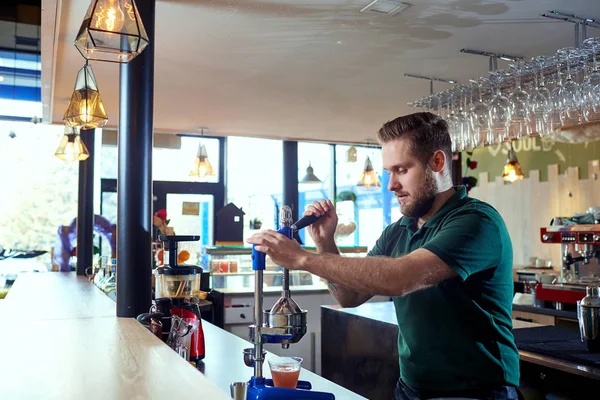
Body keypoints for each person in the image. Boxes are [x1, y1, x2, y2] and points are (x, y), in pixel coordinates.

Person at [247, 112, 520, 400]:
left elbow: (401, 278)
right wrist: (325, 242)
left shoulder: (476, 222)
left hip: (476, 393)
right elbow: (349, 296)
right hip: (410, 388)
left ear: (437, 162)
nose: (390, 185)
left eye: (401, 170)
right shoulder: (399, 230)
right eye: (388, 171)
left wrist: (302, 258)